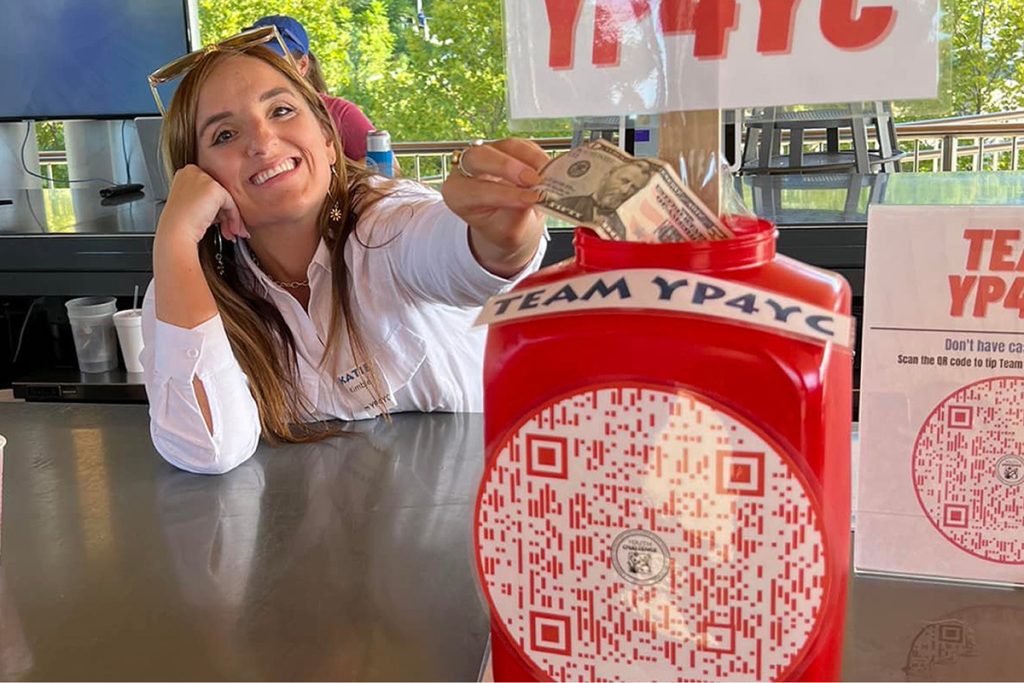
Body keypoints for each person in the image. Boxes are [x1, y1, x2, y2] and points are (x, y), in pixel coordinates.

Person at [141, 27, 548, 475]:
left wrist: (503, 235)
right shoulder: (184, 285)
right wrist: (176, 240)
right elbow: (209, 449)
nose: (262, 142)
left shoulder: (382, 220)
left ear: (329, 140)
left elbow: (458, 255)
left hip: (466, 520)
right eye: (223, 135)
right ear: (196, 181)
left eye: (280, 110)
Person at [247, 15, 377, 164]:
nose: (265, 71)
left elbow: (388, 167)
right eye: (257, 61)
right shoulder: (246, 116)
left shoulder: (338, 112)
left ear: (302, 65)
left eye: (275, 63)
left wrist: (337, 183)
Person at [555, 159, 654, 239]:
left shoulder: (625, 226)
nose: (625, 191)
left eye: (634, 188)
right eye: (624, 181)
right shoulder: (567, 203)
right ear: (608, 175)